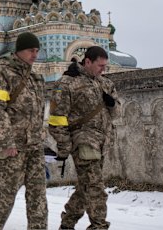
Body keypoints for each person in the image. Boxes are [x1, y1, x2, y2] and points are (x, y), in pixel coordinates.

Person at [49, 46, 120, 230]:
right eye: (100, 65)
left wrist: (111, 103)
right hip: (83, 142)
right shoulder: (67, 83)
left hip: (102, 142)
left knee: (86, 186)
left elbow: (116, 113)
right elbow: (57, 119)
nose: (103, 69)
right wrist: (64, 146)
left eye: (105, 66)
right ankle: (99, 226)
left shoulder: (105, 83)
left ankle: (67, 222)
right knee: (95, 187)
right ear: (87, 61)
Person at [0, 32, 48, 230]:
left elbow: (37, 112)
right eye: (31, 50)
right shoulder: (2, 72)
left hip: (34, 146)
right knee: (6, 196)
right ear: (19, 50)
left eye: (37, 51)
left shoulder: (35, 78)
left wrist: (40, 137)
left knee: (38, 198)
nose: (34, 55)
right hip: (12, 146)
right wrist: (6, 142)